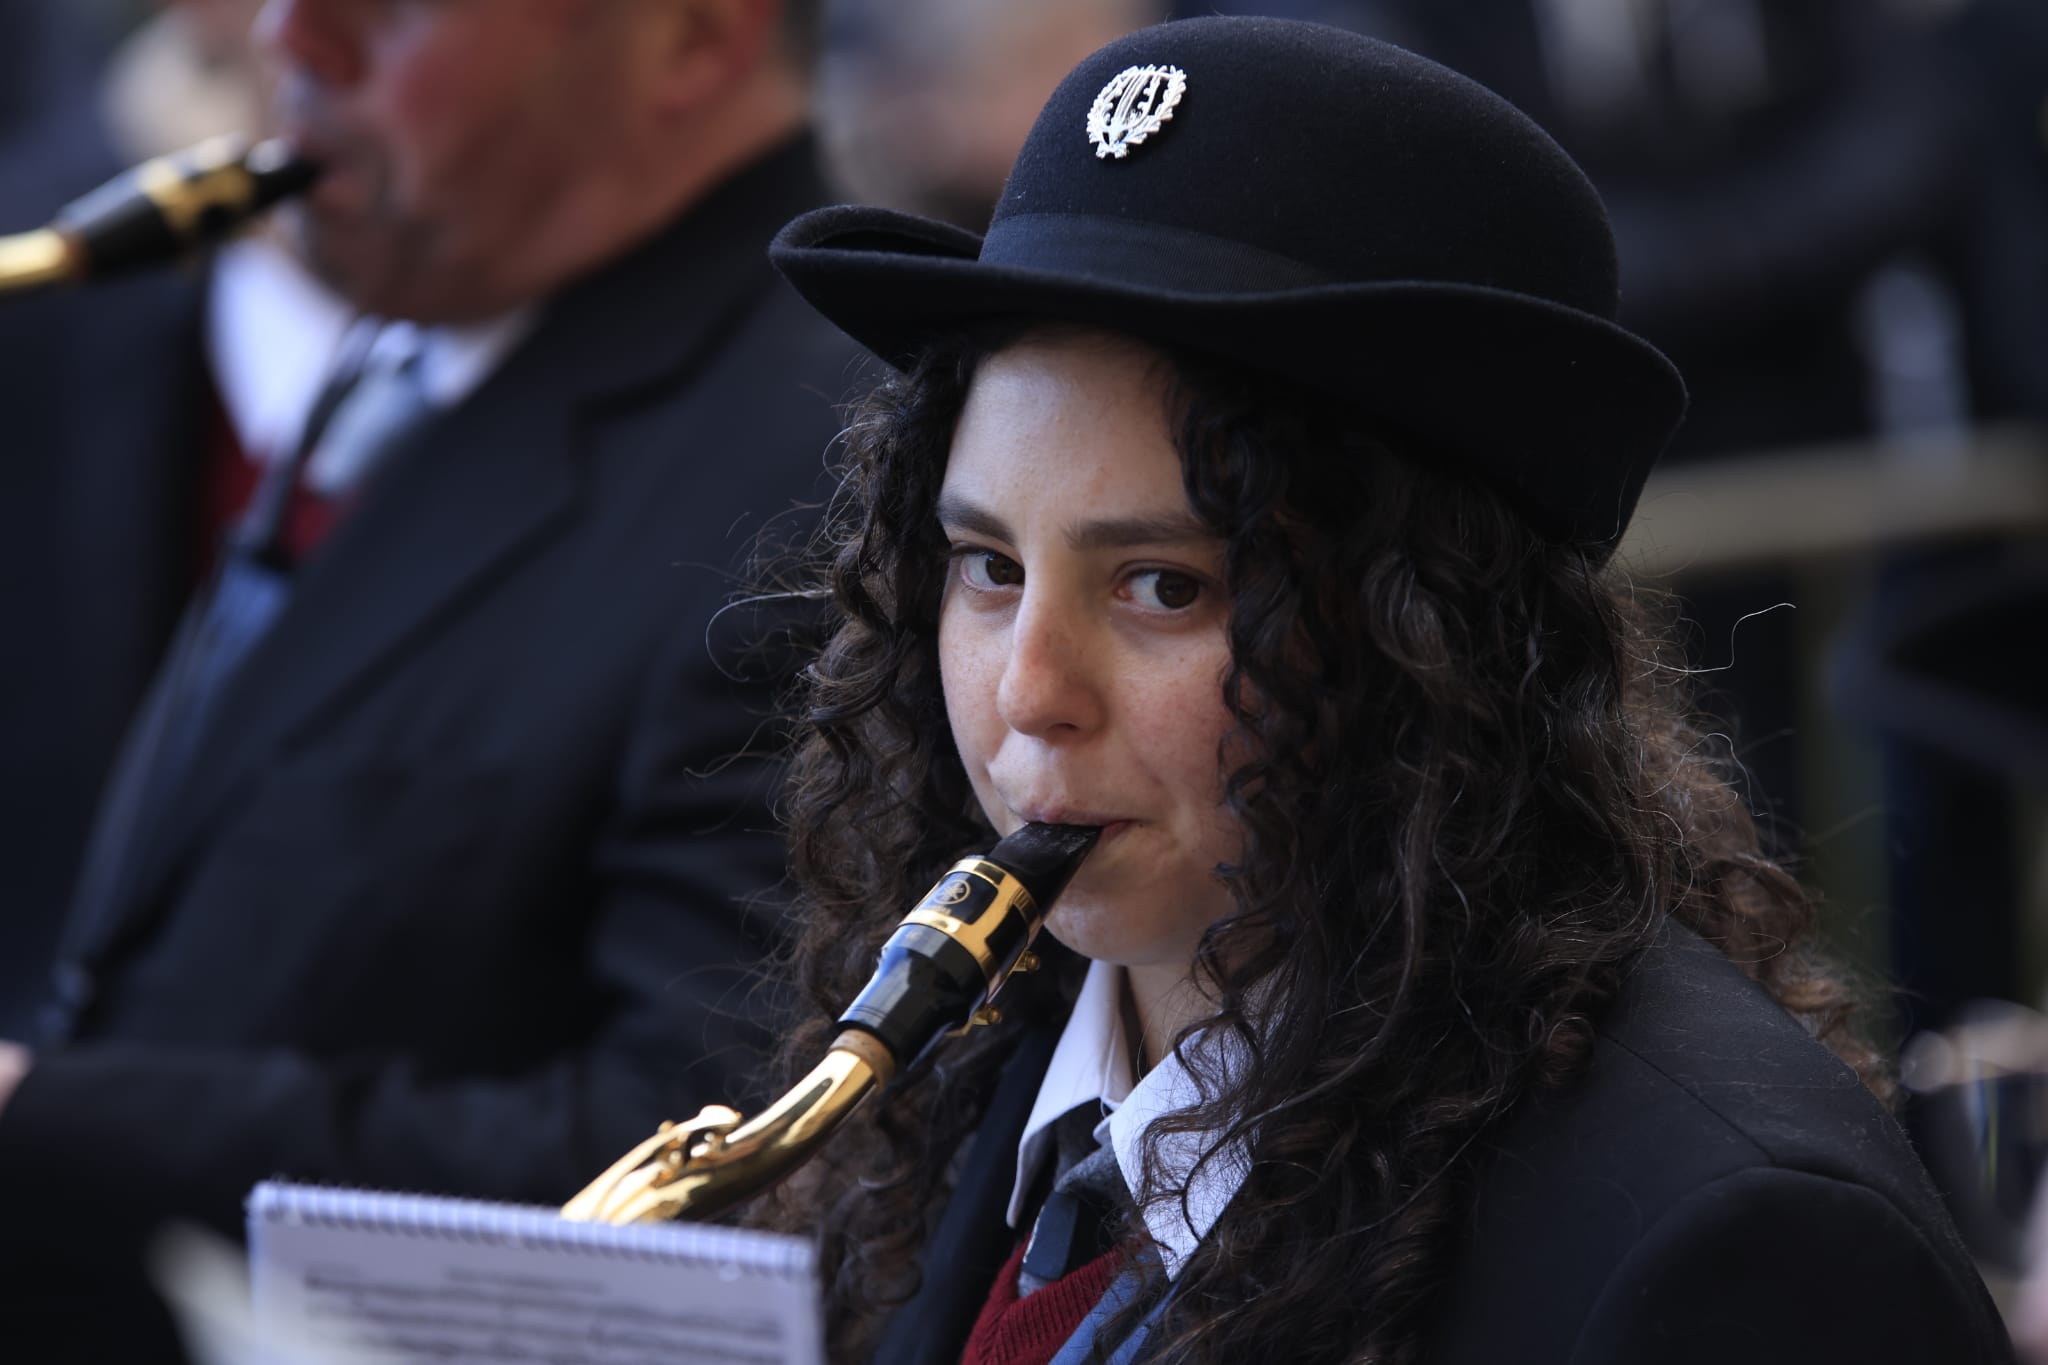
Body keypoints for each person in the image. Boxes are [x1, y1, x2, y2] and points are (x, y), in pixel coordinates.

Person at [756, 17, 2011, 1363]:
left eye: (1164, 585)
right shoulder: (974, 1073)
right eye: (989, 566)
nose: (1028, 690)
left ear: (1431, 637)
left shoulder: (1734, 1246)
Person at [0, 0, 855, 1358]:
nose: (289, 36)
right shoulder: (448, 312)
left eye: (386, 6)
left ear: (695, 41)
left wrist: (44, 1116)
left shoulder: (814, 467)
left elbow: (691, 1144)